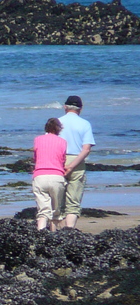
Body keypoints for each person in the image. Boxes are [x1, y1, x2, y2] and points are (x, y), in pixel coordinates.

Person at [57, 95, 95, 229]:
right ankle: (69, 230)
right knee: (73, 201)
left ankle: (58, 231)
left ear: (65, 107)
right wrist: (72, 166)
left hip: (58, 160)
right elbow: (86, 149)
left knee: (57, 200)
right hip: (77, 161)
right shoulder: (85, 124)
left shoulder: (56, 122)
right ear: (80, 108)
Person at [31, 117, 66, 231]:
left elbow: (35, 158)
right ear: (59, 129)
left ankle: (41, 233)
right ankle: (53, 233)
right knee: (56, 211)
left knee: (43, 211)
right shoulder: (63, 142)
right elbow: (62, 159)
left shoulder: (38, 139)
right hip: (56, 176)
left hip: (40, 176)